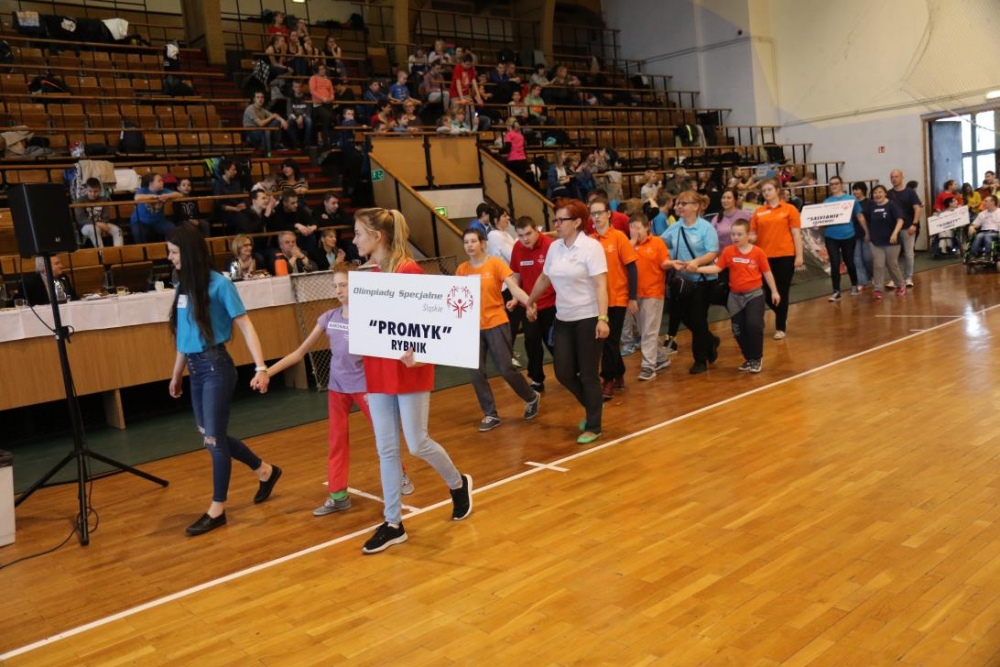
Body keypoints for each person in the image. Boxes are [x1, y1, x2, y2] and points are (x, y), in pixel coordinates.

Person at [350, 207, 472, 554]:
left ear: (377, 237)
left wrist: (421, 352)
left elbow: (436, 328)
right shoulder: (372, 276)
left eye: (358, 233)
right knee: (386, 449)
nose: (354, 240)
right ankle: (393, 523)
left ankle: (457, 482)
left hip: (409, 370)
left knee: (417, 443)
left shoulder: (410, 272)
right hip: (378, 370)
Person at [265, 263, 413, 516]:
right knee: (336, 440)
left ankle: (399, 474)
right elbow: (299, 353)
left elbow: (389, 349)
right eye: (335, 286)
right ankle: (338, 496)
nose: (338, 290)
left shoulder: (369, 319)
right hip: (337, 389)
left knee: (383, 435)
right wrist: (266, 373)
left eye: (343, 285)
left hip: (365, 387)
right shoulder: (329, 318)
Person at [166, 226, 281, 536]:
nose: (170, 258)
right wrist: (177, 373)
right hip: (195, 370)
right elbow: (183, 335)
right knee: (209, 435)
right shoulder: (183, 286)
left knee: (215, 441)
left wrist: (261, 367)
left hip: (216, 367)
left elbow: (246, 326)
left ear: (189, 253)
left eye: (174, 252)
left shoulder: (220, 285)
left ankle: (217, 509)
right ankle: (265, 471)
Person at [524, 198, 609, 445]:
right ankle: (594, 406)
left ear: (578, 222)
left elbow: (601, 285)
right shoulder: (555, 247)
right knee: (563, 372)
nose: (557, 224)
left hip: (588, 318)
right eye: (556, 219)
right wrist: (530, 301)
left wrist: (603, 319)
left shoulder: (591, 247)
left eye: (562, 220)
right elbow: (544, 278)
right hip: (563, 318)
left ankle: (594, 425)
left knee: (589, 373)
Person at [456, 228, 539, 432]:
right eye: (466, 242)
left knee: (505, 368)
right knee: (476, 372)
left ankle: (531, 397)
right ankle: (490, 413)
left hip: (496, 322)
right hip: (472, 328)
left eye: (473, 241)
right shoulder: (462, 269)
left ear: (482, 243)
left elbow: (514, 287)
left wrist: (529, 302)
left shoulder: (495, 264)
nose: (469, 245)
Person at [693, 219, 779, 373]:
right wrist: (697, 269)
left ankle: (756, 358)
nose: (735, 237)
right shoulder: (728, 251)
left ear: (748, 235)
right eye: (733, 234)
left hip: (754, 295)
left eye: (739, 234)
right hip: (735, 297)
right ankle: (749, 358)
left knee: (753, 325)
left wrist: (774, 291)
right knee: (738, 330)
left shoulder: (758, 252)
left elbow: (767, 272)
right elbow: (717, 268)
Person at [663, 191, 720, 374]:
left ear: (696, 206)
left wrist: (696, 262)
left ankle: (700, 360)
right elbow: (661, 243)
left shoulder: (706, 228)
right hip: (682, 282)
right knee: (686, 317)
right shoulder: (675, 227)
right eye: (678, 203)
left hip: (703, 281)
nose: (679, 206)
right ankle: (710, 340)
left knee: (697, 318)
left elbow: (712, 252)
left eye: (684, 203)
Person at [588, 197, 638, 399]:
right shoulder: (589, 240)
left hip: (617, 297)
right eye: (593, 214)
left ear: (609, 214)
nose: (596, 217)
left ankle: (608, 379)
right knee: (607, 341)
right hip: (596, 300)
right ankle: (619, 373)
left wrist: (632, 297)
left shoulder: (619, 237)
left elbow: (632, 268)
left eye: (600, 212)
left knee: (608, 340)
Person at [749, 178, 802, 340]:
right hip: (763, 257)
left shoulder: (790, 209)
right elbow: (753, 234)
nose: (766, 193)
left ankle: (780, 327)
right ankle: (782, 313)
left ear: (777, 190)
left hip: (785, 255)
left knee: (782, 291)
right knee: (765, 292)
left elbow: (796, 233)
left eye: (769, 189)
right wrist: (743, 238)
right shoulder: (758, 212)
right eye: (764, 190)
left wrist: (799, 255)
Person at [510, 216, 556, 393]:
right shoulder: (517, 248)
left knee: (555, 343)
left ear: (537, 230)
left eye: (528, 234)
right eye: (521, 235)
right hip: (528, 306)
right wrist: (516, 298)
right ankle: (537, 379)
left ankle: (570, 371)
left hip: (551, 304)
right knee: (531, 343)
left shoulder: (550, 245)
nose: (525, 239)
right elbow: (516, 275)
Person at [629, 212, 672, 381]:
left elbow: (664, 262)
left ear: (647, 227)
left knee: (648, 331)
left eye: (638, 228)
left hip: (653, 293)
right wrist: (632, 243)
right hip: (635, 295)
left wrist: (672, 264)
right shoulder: (628, 245)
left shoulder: (657, 243)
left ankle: (648, 367)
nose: (635, 231)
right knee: (644, 330)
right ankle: (661, 358)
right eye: (631, 228)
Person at [822, 175, 861, 300]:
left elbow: (859, 216)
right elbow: (822, 219)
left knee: (849, 262)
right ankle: (836, 291)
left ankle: (854, 284)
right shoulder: (826, 202)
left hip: (848, 235)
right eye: (831, 184)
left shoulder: (851, 199)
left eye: (836, 183)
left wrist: (866, 231)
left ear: (841, 184)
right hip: (831, 236)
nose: (834, 186)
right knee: (834, 263)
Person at [867, 184, 906, 299]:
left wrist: (895, 233)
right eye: (875, 193)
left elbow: (900, 220)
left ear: (885, 193)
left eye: (880, 192)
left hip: (891, 242)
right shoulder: (871, 207)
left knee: (892, 265)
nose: (877, 194)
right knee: (878, 265)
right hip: (876, 242)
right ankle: (878, 289)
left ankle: (900, 284)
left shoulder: (892, 205)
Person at [886, 169, 922, 289]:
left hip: (908, 227)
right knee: (892, 256)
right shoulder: (888, 194)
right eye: (892, 177)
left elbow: (917, 208)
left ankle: (908, 278)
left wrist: (914, 224)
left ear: (902, 177)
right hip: (893, 229)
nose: (894, 179)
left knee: (908, 254)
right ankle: (894, 279)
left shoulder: (910, 192)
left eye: (896, 176)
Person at [131, 173, 183, 243]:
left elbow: (179, 194)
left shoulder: (164, 191)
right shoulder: (143, 190)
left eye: (162, 181)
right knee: (140, 233)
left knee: (172, 229)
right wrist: (155, 196)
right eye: (159, 181)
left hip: (159, 221)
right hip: (140, 221)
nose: (162, 182)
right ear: (151, 184)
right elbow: (137, 197)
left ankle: (172, 248)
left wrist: (167, 196)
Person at [74, 177, 123, 247]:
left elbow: (105, 216)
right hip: (86, 226)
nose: (93, 194)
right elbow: (81, 219)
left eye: (95, 191)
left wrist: (102, 224)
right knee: (94, 229)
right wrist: (97, 224)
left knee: (118, 230)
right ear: (86, 190)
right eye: (90, 191)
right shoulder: (80, 200)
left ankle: (118, 251)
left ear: (100, 190)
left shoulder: (103, 199)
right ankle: (101, 251)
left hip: (102, 223)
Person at [311, 193, 361, 263]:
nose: (336, 206)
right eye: (333, 203)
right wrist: (337, 220)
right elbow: (317, 222)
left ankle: (356, 264)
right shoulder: (317, 211)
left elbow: (349, 220)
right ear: (325, 203)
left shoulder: (339, 210)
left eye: (337, 203)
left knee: (350, 245)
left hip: (337, 241)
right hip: (321, 244)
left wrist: (328, 220)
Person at [244, 90, 287, 155]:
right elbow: (260, 124)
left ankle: (277, 145)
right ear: (254, 99)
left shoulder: (262, 110)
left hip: (261, 130)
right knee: (266, 131)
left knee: (277, 122)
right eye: (258, 97)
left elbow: (275, 115)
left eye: (262, 97)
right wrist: (272, 117)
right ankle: (268, 154)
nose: (260, 99)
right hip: (251, 133)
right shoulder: (250, 109)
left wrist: (282, 120)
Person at [710, 187, 749, 251]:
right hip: (723, 254)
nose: (725, 200)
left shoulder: (745, 215)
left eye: (729, 198)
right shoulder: (716, 219)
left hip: (742, 253)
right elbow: (711, 240)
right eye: (723, 198)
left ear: (735, 200)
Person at [851, 181, 874, 290]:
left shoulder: (870, 203)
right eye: (854, 189)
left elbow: (872, 218)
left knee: (868, 257)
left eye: (857, 189)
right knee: (857, 259)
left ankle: (872, 275)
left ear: (863, 190)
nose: (855, 191)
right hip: (854, 233)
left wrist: (868, 232)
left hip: (866, 232)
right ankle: (862, 281)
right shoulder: (851, 203)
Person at [309, 63, 335, 149]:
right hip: (318, 105)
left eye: (323, 69)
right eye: (321, 69)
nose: (323, 70)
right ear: (317, 70)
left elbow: (332, 92)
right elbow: (312, 91)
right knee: (327, 116)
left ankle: (327, 140)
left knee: (331, 118)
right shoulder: (313, 78)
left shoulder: (328, 81)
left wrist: (331, 98)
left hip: (328, 104)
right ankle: (325, 141)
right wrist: (323, 98)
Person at [285, 79, 313, 149]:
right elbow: (289, 112)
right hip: (294, 117)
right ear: (293, 88)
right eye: (296, 87)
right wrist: (296, 119)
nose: (298, 89)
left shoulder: (308, 97)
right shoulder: (290, 98)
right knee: (288, 123)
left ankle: (306, 144)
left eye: (300, 86)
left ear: (302, 87)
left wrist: (301, 117)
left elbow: (309, 111)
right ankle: (297, 143)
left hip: (305, 116)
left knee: (309, 121)